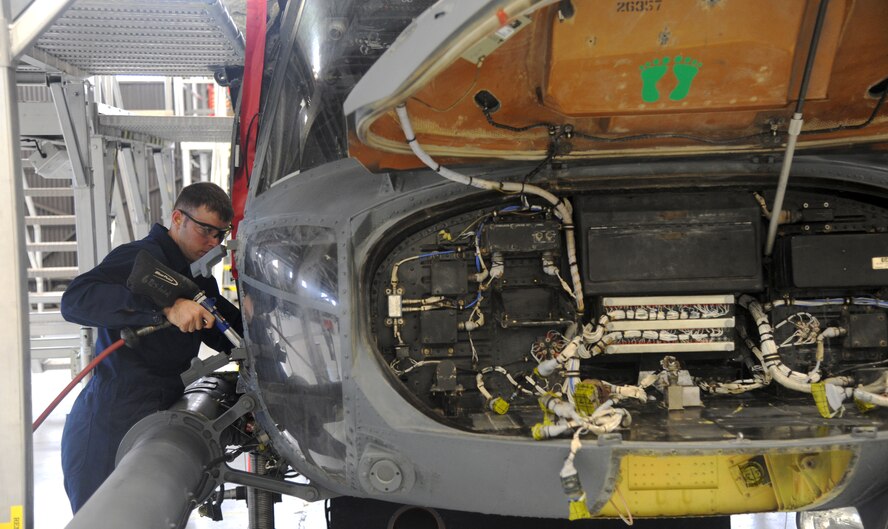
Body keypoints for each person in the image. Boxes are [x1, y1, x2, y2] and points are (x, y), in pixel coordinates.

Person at [60, 182, 243, 513]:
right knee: (102, 515)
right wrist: (165, 307)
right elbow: (75, 300)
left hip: (158, 406)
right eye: (205, 230)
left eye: (221, 234)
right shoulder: (140, 257)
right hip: (109, 419)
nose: (214, 242)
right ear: (177, 218)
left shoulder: (199, 279)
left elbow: (223, 327)